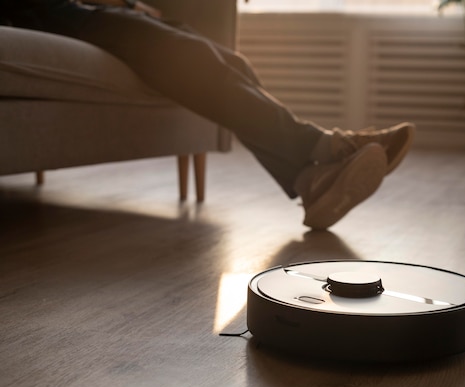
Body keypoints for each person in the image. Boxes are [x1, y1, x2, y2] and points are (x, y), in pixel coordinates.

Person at [0, 0, 415, 229]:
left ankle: (308, 178)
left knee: (233, 62)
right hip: (50, 14)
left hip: (89, 10)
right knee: (187, 57)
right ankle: (321, 148)